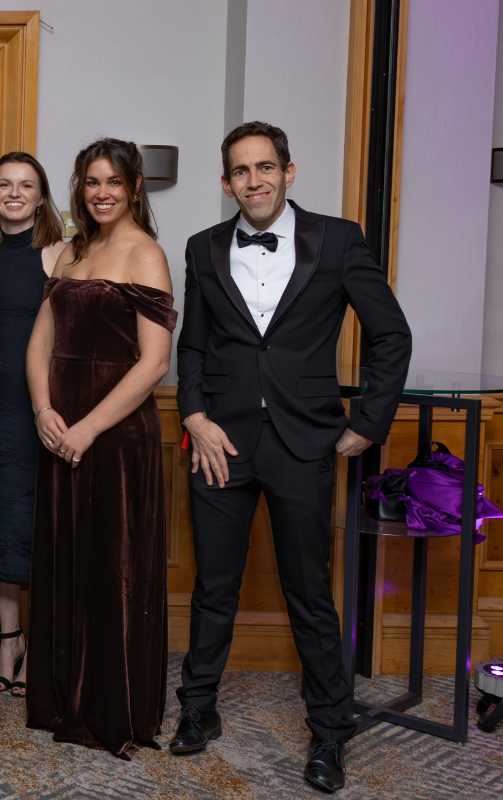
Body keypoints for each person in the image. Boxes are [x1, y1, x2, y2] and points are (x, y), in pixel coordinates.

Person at [173, 122, 411, 792]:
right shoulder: (203, 246)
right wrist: (194, 416)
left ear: (288, 172)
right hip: (221, 442)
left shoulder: (338, 240)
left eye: (265, 167)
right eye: (241, 171)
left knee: (310, 592)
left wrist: (367, 424)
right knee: (213, 585)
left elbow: (390, 334)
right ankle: (198, 708)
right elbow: (193, 346)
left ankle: (330, 731)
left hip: (304, 441)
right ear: (226, 183)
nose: (254, 180)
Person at [25, 138, 175, 758]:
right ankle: (63, 697)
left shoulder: (146, 253)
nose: (101, 193)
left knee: (114, 570)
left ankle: (112, 708)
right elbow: (40, 342)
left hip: (115, 439)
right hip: (58, 429)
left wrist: (87, 428)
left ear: (135, 186)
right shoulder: (72, 251)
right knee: (66, 560)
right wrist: (44, 411)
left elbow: (155, 362)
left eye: (114, 181)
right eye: (91, 182)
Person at [0, 152, 68, 699]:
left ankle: (44, 643)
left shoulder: (62, 254)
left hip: (44, 408)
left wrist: (51, 406)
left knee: (43, 524)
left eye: (26, 185)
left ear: (41, 196)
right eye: (5, 185)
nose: (14, 193)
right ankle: (8, 638)